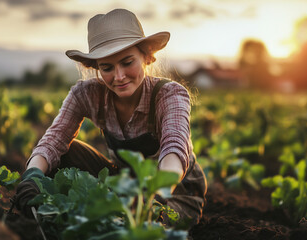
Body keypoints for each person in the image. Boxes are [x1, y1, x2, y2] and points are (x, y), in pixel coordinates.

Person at [15, 8, 207, 226]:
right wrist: (32, 176)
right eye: (107, 68)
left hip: (175, 195)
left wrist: (158, 194)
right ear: (96, 67)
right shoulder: (85, 94)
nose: (119, 76)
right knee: (68, 151)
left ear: (146, 57)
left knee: (146, 227)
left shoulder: (169, 94)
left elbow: (174, 147)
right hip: (124, 187)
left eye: (127, 62)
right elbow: (54, 139)